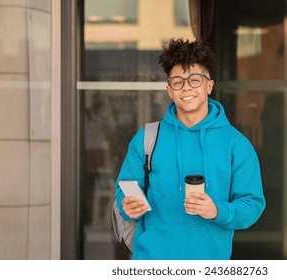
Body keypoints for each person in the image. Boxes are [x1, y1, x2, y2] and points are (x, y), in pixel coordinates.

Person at [114, 38, 266, 260]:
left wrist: (217, 211)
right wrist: (127, 204)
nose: (186, 87)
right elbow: (124, 189)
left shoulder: (235, 144)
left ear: (209, 86)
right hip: (151, 260)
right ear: (169, 90)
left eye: (195, 80)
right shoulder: (147, 138)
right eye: (177, 82)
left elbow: (252, 204)